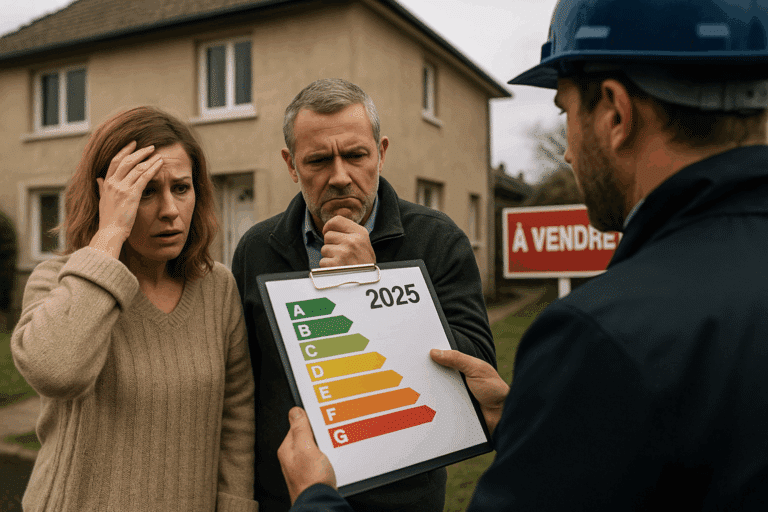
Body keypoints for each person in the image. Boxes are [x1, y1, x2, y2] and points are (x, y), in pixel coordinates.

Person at [276, 0, 768, 510]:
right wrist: (523, 419)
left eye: (564, 112)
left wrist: (314, 496)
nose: (568, 152)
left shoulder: (600, 336)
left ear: (616, 113)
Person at [231, 78, 496, 512]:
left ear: (381, 153)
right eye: (318, 160)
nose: (340, 177)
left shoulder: (438, 239)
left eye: (356, 155)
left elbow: (477, 374)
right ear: (291, 164)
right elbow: (243, 389)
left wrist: (373, 285)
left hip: (402, 499)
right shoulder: (256, 249)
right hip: (288, 499)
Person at [11, 107, 258, 511]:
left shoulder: (217, 288)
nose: (170, 209)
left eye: (181, 188)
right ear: (107, 198)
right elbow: (57, 372)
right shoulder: (58, 281)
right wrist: (109, 234)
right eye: (145, 191)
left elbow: (237, 422)